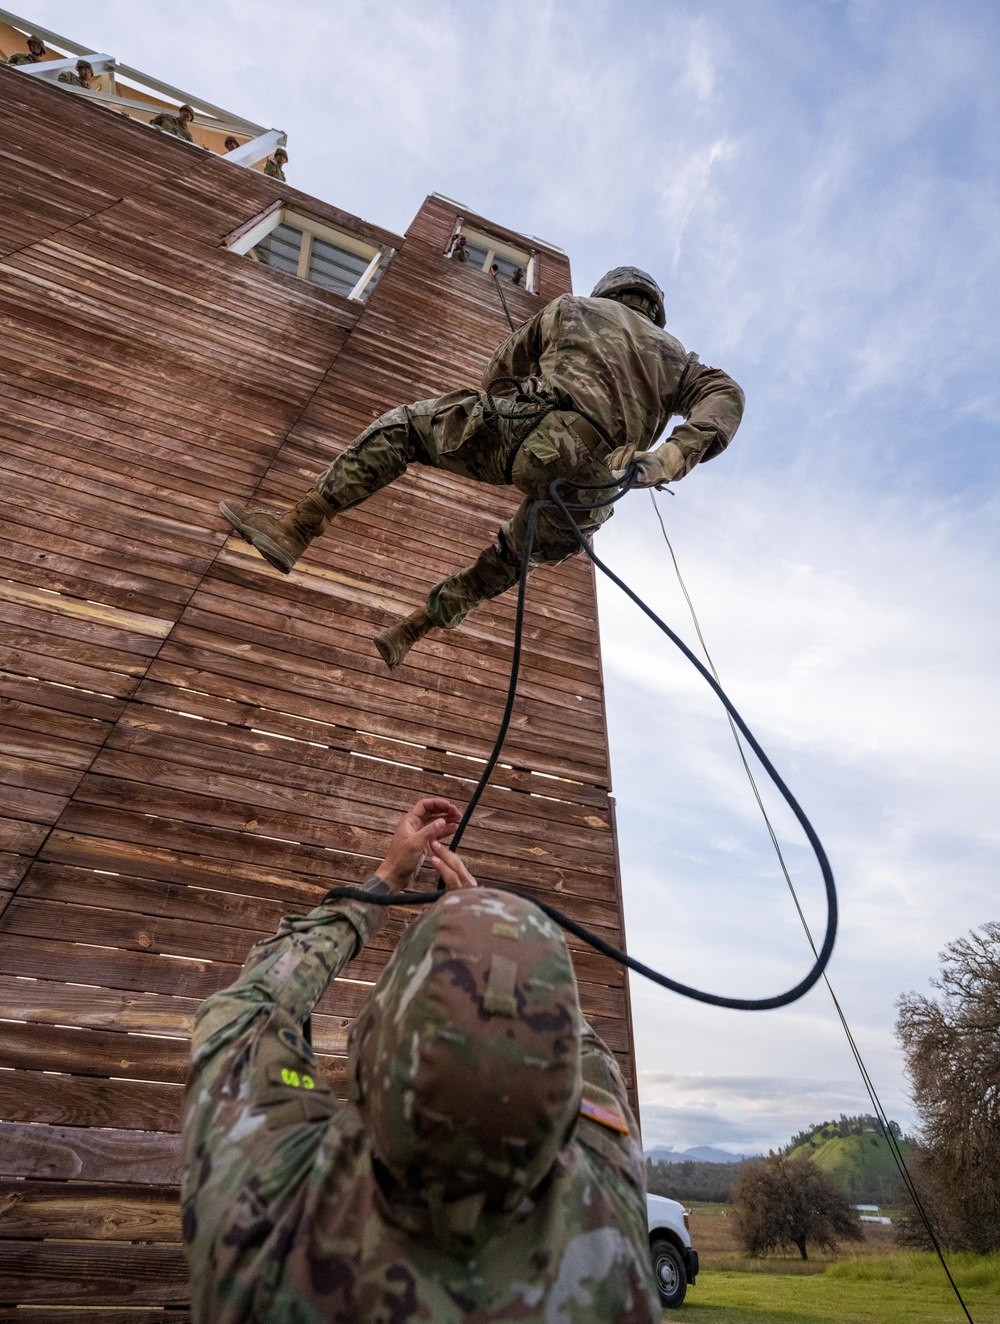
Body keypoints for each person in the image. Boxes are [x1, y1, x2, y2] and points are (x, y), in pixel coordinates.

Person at [181, 795, 659, 1323]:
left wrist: (385, 881)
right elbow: (585, 1060)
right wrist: (494, 937)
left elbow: (246, 1009)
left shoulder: (273, 1211)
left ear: (370, 1049)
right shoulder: (611, 1223)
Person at [220, 266, 744, 669]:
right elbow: (725, 394)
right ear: (654, 310)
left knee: (404, 429)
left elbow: (498, 372)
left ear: (610, 290)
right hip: (595, 488)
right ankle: (414, 629)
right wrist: (670, 457)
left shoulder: (572, 308)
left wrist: (506, 404)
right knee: (509, 559)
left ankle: (297, 527)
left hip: (530, 432)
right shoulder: (678, 358)